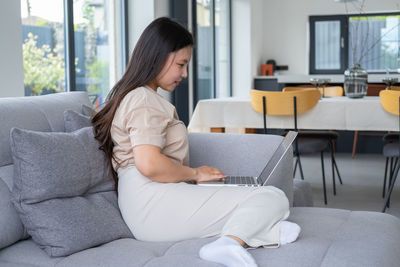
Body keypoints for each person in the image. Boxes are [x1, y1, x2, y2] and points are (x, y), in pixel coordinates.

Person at [92, 17, 301, 267]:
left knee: (259, 199)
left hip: (152, 201)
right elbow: (149, 164)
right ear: (157, 56)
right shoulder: (143, 99)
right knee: (273, 197)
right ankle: (229, 244)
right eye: (181, 64)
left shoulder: (142, 97)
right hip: (151, 203)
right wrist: (195, 174)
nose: (184, 73)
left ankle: (264, 229)